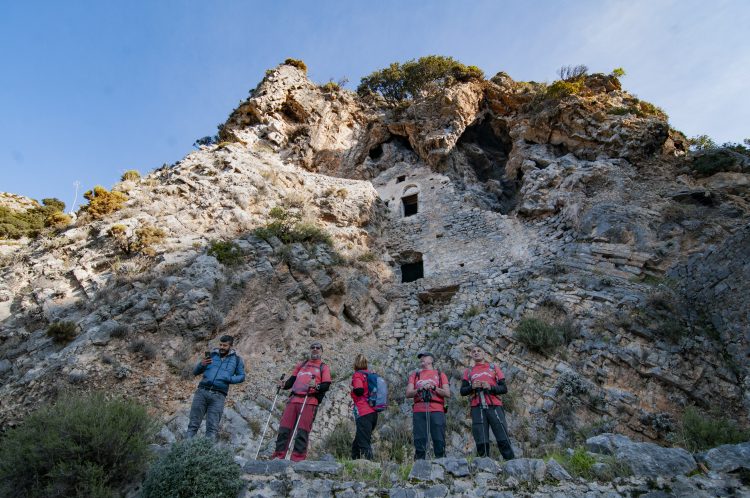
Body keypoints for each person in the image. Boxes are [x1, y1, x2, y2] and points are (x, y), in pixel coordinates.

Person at [271, 341, 332, 461]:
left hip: (309, 400)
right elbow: (291, 381)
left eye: (318, 348)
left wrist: (316, 386)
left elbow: (326, 385)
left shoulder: (323, 367)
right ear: (310, 350)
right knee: (284, 428)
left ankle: (298, 458)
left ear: (321, 351)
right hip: (293, 399)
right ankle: (279, 455)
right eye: (312, 347)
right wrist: (283, 385)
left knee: (302, 431)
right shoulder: (302, 365)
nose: (315, 349)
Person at [460, 344, 515, 460]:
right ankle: (483, 466)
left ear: (484, 353)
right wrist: (472, 387)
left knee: (502, 434)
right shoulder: (468, 371)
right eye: (473, 351)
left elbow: (504, 388)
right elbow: (462, 391)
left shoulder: (494, 367)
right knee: (481, 437)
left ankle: (510, 461)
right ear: (471, 355)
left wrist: (490, 387)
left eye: (479, 350)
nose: (476, 352)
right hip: (477, 406)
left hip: (494, 405)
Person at [186, 335, 246, 440]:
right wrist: (201, 364)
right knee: (193, 425)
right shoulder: (211, 355)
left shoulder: (237, 360)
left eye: (225, 345)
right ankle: (184, 452)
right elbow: (195, 372)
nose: (222, 347)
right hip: (202, 392)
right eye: (220, 345)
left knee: (212, 429)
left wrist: (229, 379)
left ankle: (207, 455)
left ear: (231, 346)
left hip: (218, 396)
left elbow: (242, 377)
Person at [406, 351, 450, 459]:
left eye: (424, 357)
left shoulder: (440, 374)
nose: (422, 359)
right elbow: (408, 393)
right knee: (419, 440)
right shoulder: (415, 375)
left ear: (431, 360)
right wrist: (420, 389)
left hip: (437, 410)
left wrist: (433, 387)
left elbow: (447, 393)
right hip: (419, 410)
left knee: (439, 439)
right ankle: (419, 467)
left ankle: (441, 464)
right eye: (421, 358)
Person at [351, 354, 378, 460]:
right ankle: (354, 461)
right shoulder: (371, 374)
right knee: (358, 440)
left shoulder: (357, 375)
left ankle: (371, 467)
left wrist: (352, 389)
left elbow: (359, 390)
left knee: (363, 442)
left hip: (363, 411)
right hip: (373, 412)